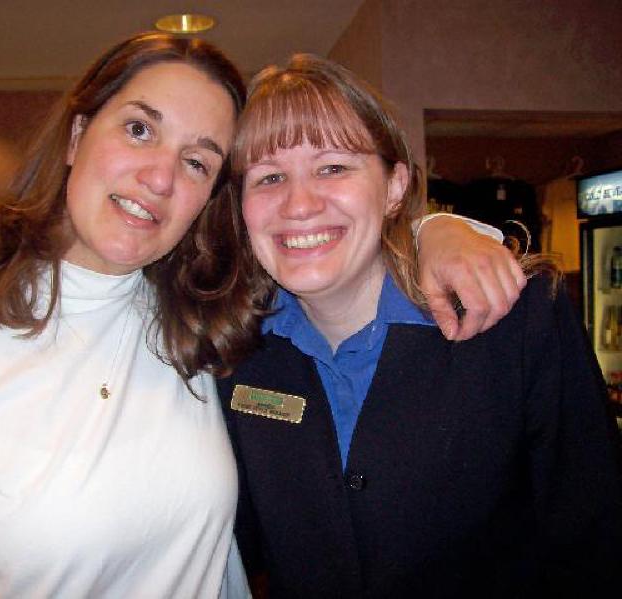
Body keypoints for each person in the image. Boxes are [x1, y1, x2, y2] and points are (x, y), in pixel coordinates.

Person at [0, 33, 523, 598]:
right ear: (75, 137)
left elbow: (335, 245)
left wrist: (441, 229)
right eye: (138, 129)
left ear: (209, 199)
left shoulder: (207, 333)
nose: (160, 177)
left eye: (197, 161)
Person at [217, 54, 622, 598]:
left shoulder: (519, 321)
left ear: (393, 187)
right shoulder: (233, 353)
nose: (300, 203)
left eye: (333, 167)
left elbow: (598, 542)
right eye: (269, 177)